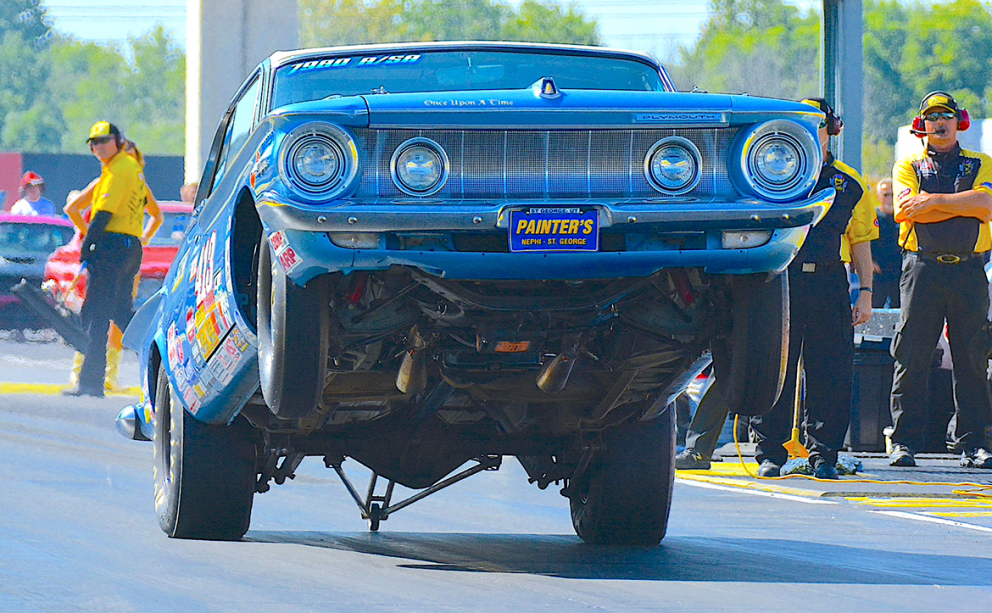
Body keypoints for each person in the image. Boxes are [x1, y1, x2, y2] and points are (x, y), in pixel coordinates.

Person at [748, 97, 878, 480]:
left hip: (828, 280)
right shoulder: (766, 173)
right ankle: (770, 452)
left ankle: (823, 455)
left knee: (830, 368)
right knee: (776, 367)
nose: (809, 131)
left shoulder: (850, 183)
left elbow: (862, 240)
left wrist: (866, 291)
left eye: (817, 123)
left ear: (830, 130)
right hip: (777, 279)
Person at [888, 91, 992, 469]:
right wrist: (962, 203)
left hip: (969, 269)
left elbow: (987, 206)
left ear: (959, 120)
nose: (939, 123)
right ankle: (903, 442)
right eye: (932, 117)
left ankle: (973, 443)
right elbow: (903, 210)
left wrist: (930, 203)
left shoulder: (981, 163)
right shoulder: (909, 165)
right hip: (922, 269)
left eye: (945, 115)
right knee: (911, 356)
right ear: (922, 125)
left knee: (973, 357)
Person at [63, 137, 163, 394]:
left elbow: (73, 209)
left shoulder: (120, 182)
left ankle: (91, 379)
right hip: (129, 251)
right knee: (117, 311)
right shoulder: (135, 186)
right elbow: (157, 216)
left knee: (98, 313)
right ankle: (152, 355)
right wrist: (141, 238)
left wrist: (92, 236)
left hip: (111, 250)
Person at [872, 178, 902, 308]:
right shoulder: (873, 217)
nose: (890, 198)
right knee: (875, 307)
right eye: (886, 195)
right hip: (878, 273)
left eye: (893, 194)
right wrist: (869, 262)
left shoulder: (904, 217)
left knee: (900, 308)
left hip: (899, 272)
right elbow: (863, 240)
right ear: (879, 197)